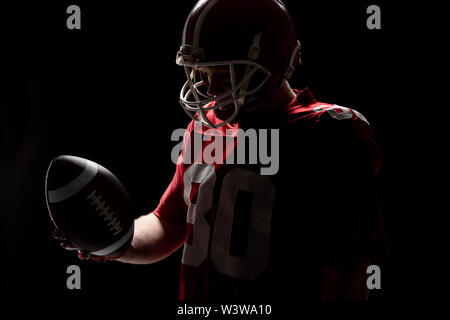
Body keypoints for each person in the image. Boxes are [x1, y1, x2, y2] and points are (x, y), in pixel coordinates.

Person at [56, 0, 389, 300]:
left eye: (226, 79)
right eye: (203, 74)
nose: (211, 91)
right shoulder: (204, 128)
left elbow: (349, 270)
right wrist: (113, 240)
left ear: (275, 65)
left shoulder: (331, 134)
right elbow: (169, 225)